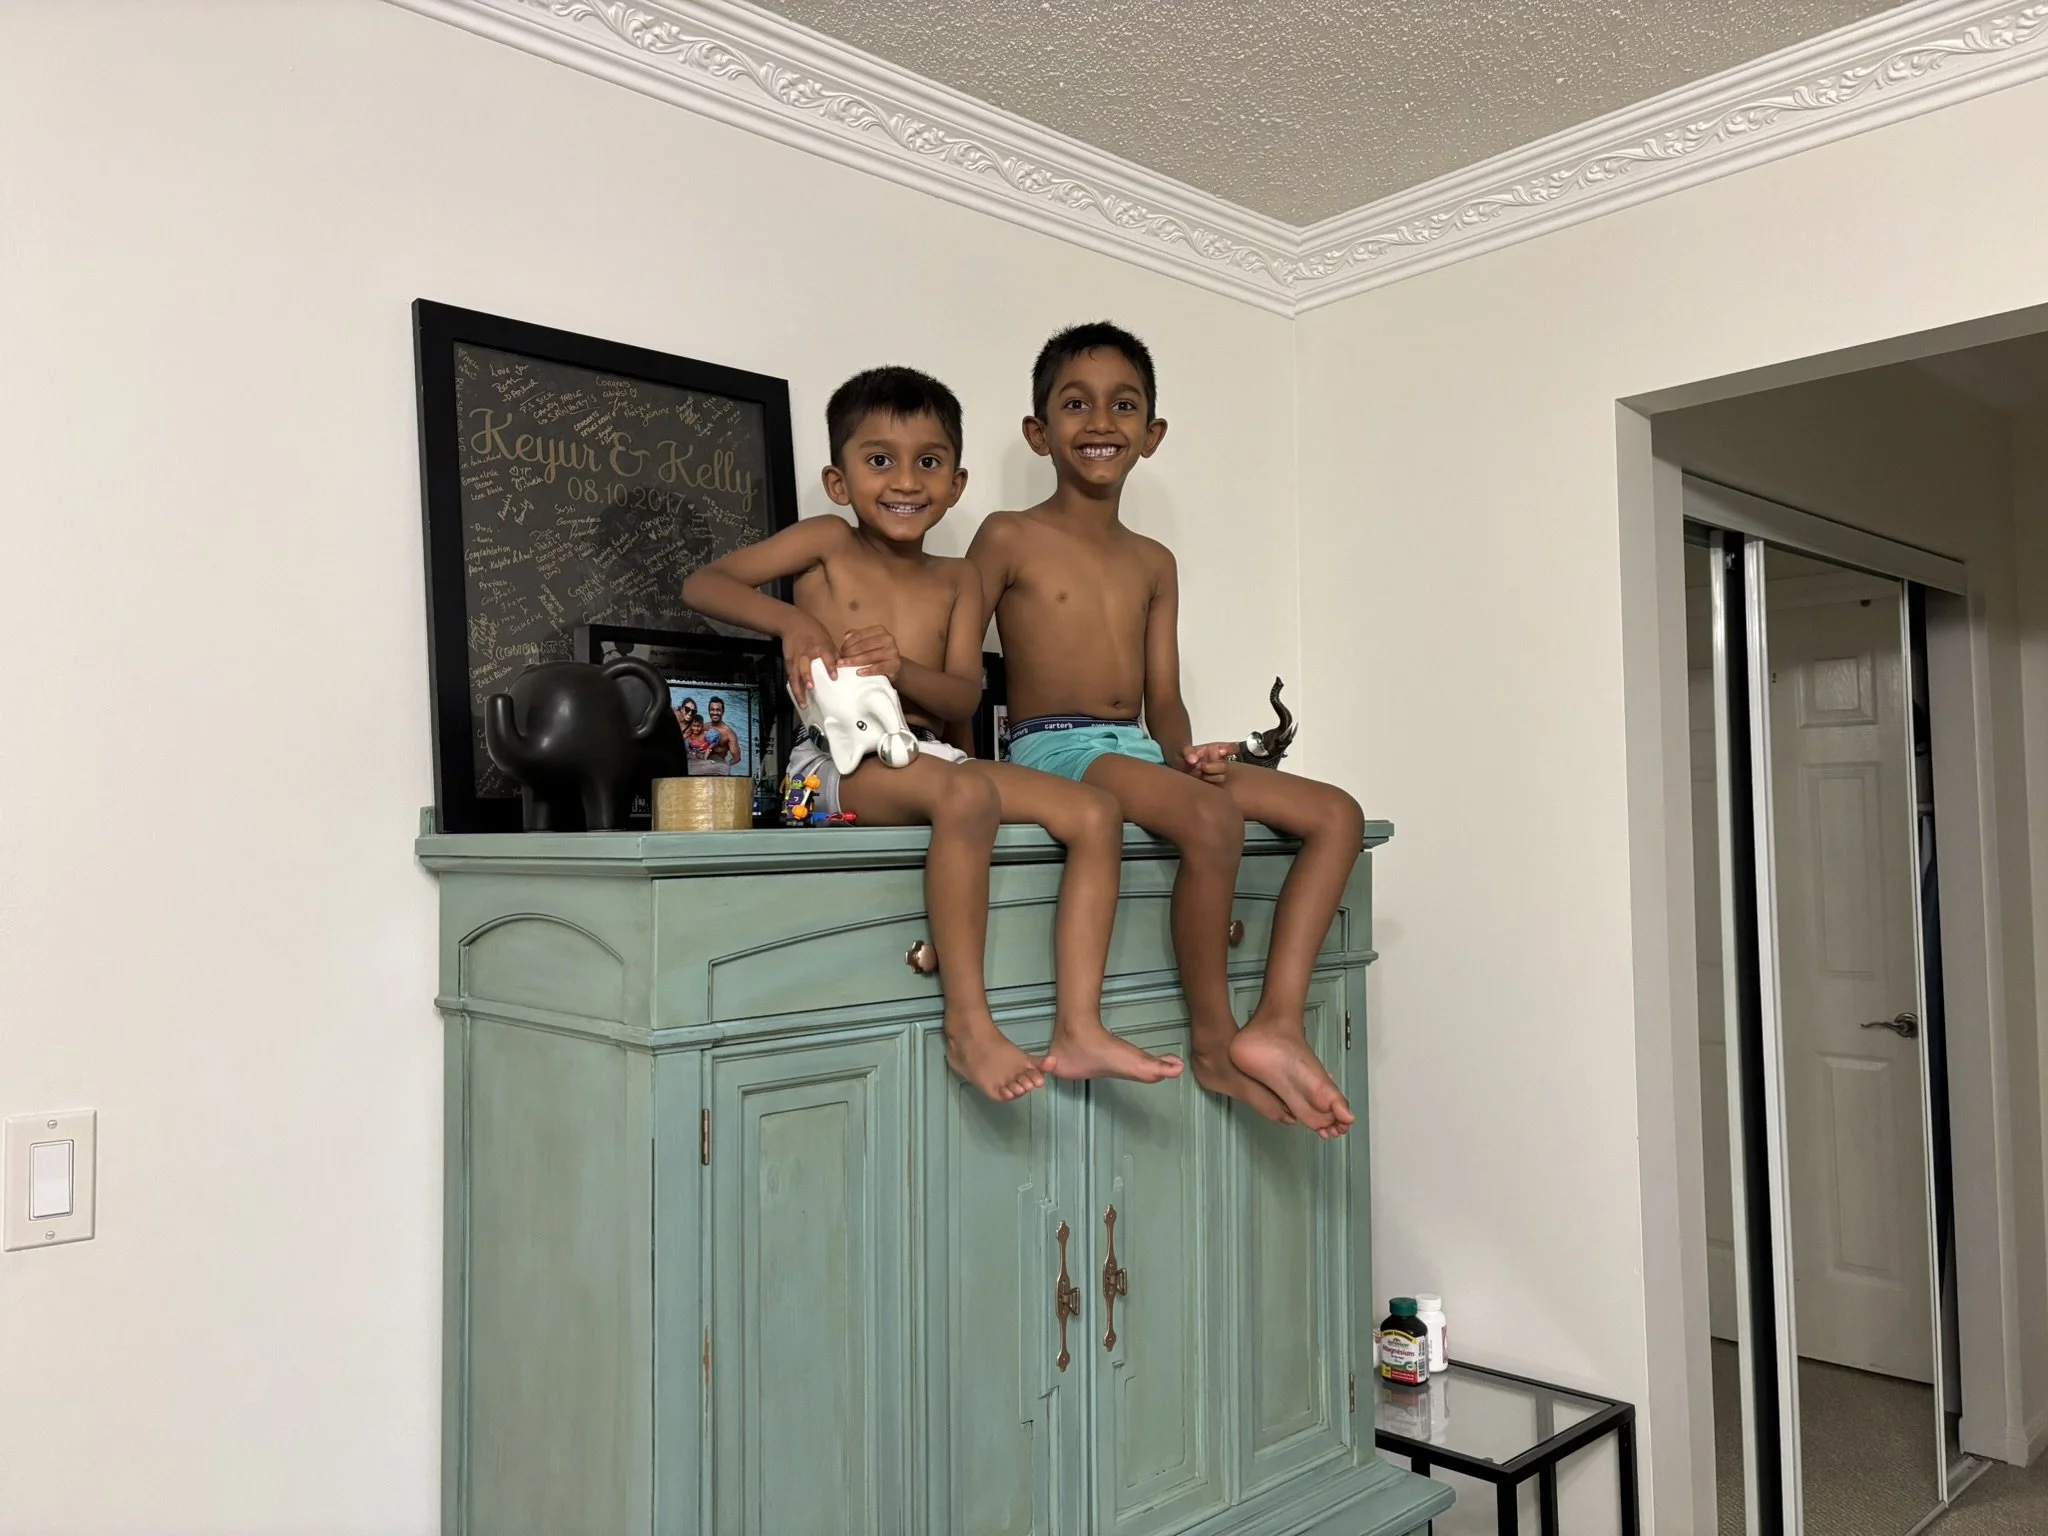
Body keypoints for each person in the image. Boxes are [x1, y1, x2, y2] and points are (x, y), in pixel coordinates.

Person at [683, 365, 1181, 1100]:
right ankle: (967, 1025)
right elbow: (706, 584)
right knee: (968, 795)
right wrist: (794, 620)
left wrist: (903, 668)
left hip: (925, 749)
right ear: (837, 480)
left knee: (1093, 811)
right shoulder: (826, 542)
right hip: (833, 760)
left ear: (956, 482)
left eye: (929, 462)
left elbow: (963, 694)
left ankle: (1080, 1025)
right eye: (878, 460)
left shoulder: (958, 580)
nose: (905, 481)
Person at [966, 322, 1364, 1138]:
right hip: (1057, 748)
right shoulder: (1008, 534)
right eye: (1076, 404)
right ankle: (1217, 1043)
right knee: (1211, 820)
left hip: (1139, 750)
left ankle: (1277, 1020)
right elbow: (956, 664)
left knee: (1337, 815)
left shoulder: (1154, 561)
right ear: (1039, 431)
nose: (1100, 421)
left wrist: (1188, 759)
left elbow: (1164, 697)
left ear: (1153, 435)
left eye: (1124, 405)